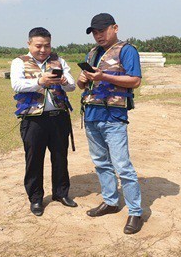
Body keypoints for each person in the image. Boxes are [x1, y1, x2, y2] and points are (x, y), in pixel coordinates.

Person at [76, 13, 144, 235]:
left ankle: (135, 211)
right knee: (101, 162)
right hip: (92, 114)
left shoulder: (127, 50)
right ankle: (110, 201)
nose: (98, 35)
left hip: (113, 116)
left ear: (115, 28)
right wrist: (83, 80)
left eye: (102, 30)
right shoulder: (93, 52)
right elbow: (81, 85)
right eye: (94, 32)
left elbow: (135, 80)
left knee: (122, 165)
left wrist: (103, 77)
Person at [11, 27, 77, 216]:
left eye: (47, 46)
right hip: (33, 120)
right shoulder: (19, 62)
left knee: (60, 157)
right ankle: (36, 198)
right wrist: (40, 82)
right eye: (38, 46)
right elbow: (16, 84)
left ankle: (61, 193)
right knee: (34, 160)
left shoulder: (59, 61)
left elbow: (72, 86)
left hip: (58, 117)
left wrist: (64, 80)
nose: (43, 50)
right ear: (29, 44)